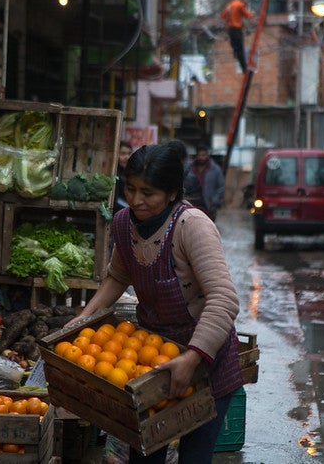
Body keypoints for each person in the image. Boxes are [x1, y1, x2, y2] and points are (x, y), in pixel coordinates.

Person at [68, 144, 243, 464]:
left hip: (206, 363)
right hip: (153, 365)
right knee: (145, 454)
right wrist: (82, 319)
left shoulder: (192, 226)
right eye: (131, 188)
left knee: (194, 456)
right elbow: (116, 278)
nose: (136, 200)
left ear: (173, 193)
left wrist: (192, 358)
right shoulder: (124, 224)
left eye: (148, 192)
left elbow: (224, 298)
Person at [187, 144, 225, 221]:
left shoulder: (215, 169)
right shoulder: (189, 169)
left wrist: (214, 202)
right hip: (192, 207)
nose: (201, 157)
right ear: (196, 156)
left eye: (203, 155)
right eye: (199, 155)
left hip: (209, 207)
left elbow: (221, 187)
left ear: (207, 155)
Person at [220, 0, 254, 73]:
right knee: (240, 49)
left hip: (230, 30)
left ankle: (240, 61)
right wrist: (253, 13)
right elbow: (247, 15)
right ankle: (244, 69)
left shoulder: (229, 5)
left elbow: (223, 16)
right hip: (237, 29)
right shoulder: (240, 4)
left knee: (235, 47)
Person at [113, 140, 133, 213]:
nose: (127, 157)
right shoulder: (115, 174)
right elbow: (115, 200)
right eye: (123, 154)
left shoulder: (129, 172)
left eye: (129, 153)